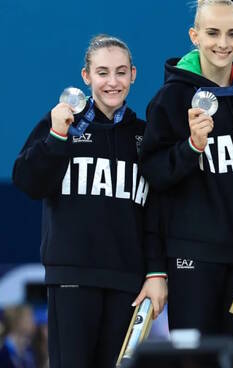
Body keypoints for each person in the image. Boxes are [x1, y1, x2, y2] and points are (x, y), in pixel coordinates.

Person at [140, 0, 233, 353]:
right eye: (212, 33)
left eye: (232, 34)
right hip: (192, 256)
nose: (223, 43)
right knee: (193, 359)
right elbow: (154, 177)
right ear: (194, 36)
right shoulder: (171, 99)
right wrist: (191, 146)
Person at [12, 35, 168, 367]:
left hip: (127, 284)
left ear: (134, 74)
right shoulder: (62, 123)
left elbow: (155, 213)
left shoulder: (144, 134)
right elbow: (27, 182)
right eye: (102, 72)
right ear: (86, 76)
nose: (112, 82)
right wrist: (56, 137)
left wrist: (156, 273)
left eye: (121, 72)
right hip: (72, 277)